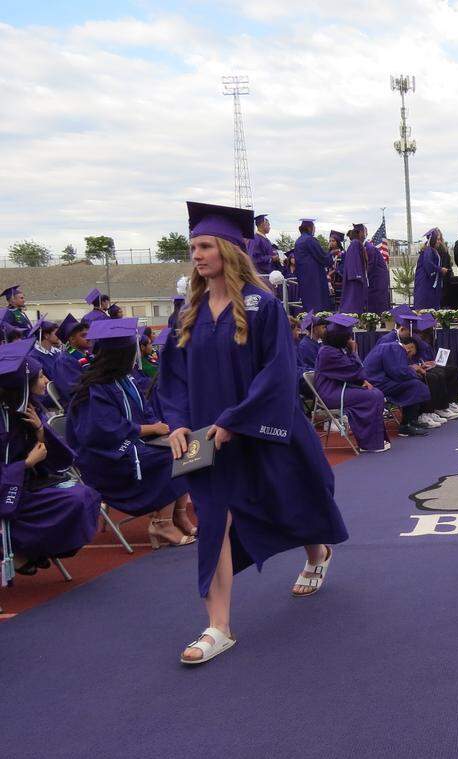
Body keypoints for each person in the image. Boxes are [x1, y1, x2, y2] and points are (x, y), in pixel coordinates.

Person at [159, 201, 348, 665]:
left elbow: (277, 373)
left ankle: (317, 550)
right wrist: (180, 424)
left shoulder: (262, 306)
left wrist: (235, 421)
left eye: (205, 246)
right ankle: (217, 626)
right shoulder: (189, 311)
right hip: (207, 440)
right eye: (193, 248)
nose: (197, 255)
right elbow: (174, 378)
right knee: (214, 525)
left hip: (261, 428)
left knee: (289, 499)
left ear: (227, 249)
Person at [65, 318, 196, 548]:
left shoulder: (125, 381)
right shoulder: (93, 389)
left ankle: (178, 515)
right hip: (106, 457)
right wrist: (151, 429)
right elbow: (103, 430)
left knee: (188, 445)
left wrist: (163, 428)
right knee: (172, 456)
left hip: (132, 444)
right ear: (120, 357)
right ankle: (162, 524)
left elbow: (145, 412)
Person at [0, 339, 101, 577]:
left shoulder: (28, 410)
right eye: (40, 377)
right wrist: (25, 464)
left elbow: (58, 457)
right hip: (9, 492)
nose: (46, 380)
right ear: (23, 385)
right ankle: (19, 547)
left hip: (25, 487)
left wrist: (40, 431)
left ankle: (32, 549)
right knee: (74, 500)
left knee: (84, 496)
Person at [314, 314, 390, 453]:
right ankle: (369, 444)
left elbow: (354, 374)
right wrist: (354, 352)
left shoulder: (335, 349)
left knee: (375, 393)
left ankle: (374, 439)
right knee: (372, 396)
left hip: (339, 388)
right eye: (348, 337)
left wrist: (363, 381)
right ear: (340, 338)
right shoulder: (328, 352)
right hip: (330, 393)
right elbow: (356, 370)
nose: (350, 340)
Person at [362, 315, 433, 437]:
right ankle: (406, 426)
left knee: (414, 382)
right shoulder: (395, 347)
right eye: (411, 355)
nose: (409, 357)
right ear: (409, 349)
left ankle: (412, 421)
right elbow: (399, 372)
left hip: (379, 380)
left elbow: (397, 369)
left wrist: (411, 370)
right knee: (415, 384)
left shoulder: (393, 346)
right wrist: (414, 372)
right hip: (376, 383)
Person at [411, 314, 458, 419]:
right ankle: (438, 408)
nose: (433, 329)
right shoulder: (416, 340)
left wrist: (432, 362)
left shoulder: (428, 339)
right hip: (419, 368)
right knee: (438, 374)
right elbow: (413, 359)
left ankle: (451, 402)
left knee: (453, 369)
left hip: (426, 365)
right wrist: (422, 364)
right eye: (431, 326)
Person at [293, 218, 333, 313]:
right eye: (314, 227)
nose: (315, 229)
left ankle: (311, 325)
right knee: (318, 304)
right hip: (314, 278)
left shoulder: (298, 241)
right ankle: (319, 326)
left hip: (304, 278)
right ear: (309, 228)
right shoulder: (309, 240)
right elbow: (321, 256)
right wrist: (330, 254)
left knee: (308, 304)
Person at [51, 315, 91, 403]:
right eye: (84, 335)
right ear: (72, 339)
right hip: (79, 407)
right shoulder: (64, 361)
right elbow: (73, 392)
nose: (89, 338)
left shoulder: (89, 356)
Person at [413, 228, 447, 309]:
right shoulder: (428, 250)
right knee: (425, 304)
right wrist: (440, 269)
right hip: (425, 281)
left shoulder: (432, 250)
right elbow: (428, 264)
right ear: (433, 240)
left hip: (428, 281)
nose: (439, 241)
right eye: (437, 239)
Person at [340, 225, 370, 315]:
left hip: (356, 277)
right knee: (353, 301)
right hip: (355, 279)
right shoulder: (355, 243)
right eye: (365, 232)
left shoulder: (355, 244)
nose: (365, 235)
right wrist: (357, 276)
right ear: (360, 233)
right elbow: (354, 260)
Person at [364, 226, 392, 315]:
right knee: (376, 301)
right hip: (375, 279)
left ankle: (382, 321)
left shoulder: (369, 248)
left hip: (377, 280)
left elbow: (370, 265)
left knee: (379, 302)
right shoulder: (366, 247)